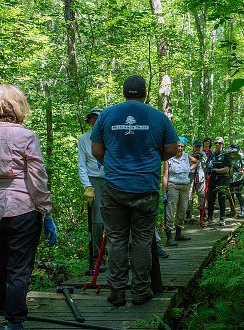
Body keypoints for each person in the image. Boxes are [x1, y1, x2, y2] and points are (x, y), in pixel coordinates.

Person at [0, 84, 56, 330]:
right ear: (18, 105)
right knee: (18, 270)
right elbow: (37, 180)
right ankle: (15, 324)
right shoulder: (26, 136)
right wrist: (46, 212)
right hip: (23, 211)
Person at [91, 75, 178, 307]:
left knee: (117, 240)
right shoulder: (158, 117)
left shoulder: (107, 115)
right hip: (145, 188)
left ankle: (117, 292)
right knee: (142, 240)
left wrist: (113, 164)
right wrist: (152, 159)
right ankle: (140, 291)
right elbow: (171, 148)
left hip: (114, 187)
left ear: (123, 92)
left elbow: (96, 150)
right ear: (145, 93)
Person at [78, 107, 105, 273]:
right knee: (97, 222)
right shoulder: (83, 139)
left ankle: (121, 255)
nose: (95, 121)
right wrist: (87, 186)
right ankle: (98, 258)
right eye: (93, 118)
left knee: (116, 219)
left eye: (98, 118)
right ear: (89, 120)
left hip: (111, 180)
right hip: (93, 180)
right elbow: (82, 164)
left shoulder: (110, 137)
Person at [162, 136, 198, 246]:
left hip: (185, 186)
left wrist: (189, 168)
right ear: (175, 146)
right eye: (178, 146)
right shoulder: (169, 158)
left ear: (185, 147)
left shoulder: (187, 156)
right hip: (173, 186)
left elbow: (196, 161)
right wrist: (164, 192)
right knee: (170, 210)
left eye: (182, 146)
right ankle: (169, 237)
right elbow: (165, 175)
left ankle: (178, 234)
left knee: (182, 210)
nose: (180, 148)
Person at [205, 137, 232, 226]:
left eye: (219, 143)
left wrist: (215, 170)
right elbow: (207, 166)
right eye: (216, 143)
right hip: (212, 179)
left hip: (223, 179)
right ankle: (210, 218)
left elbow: (227, 169)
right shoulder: (212, 155)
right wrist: (209, 169)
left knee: (221, 199)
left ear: (223, 144)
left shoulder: (226, 155)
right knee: (211, 199)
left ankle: (222, 219)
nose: (217, 144)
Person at [186, 140, 207, 223]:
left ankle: (202, 215)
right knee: (189, 196)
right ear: (193, 146)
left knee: (201, 195)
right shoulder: (188, 154)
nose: (198, 148)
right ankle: (188, 215)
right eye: (196, 146)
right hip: (190, 177)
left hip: (200, 177)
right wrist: (194, 156)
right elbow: (186, 164)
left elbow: (205, 164)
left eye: (199, 146)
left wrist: (201, 157)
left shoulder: (203, 154)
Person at [227, 144, 244, 218]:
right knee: (230, 195)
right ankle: (233, 211)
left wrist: (243, 170)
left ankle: (243, 211)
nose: (233, 153)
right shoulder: (227, 156)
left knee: (238, 194)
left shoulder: (240, 156)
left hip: (238, 178)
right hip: (229, 178)